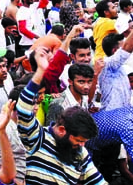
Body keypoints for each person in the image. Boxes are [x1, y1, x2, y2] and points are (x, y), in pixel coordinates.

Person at [16, 46, 104, 185]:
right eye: (79, 140)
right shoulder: (38, 139)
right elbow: (23, 109)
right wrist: (40, 71)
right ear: (62, 130)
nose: (82, 145)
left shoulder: (80, 152)